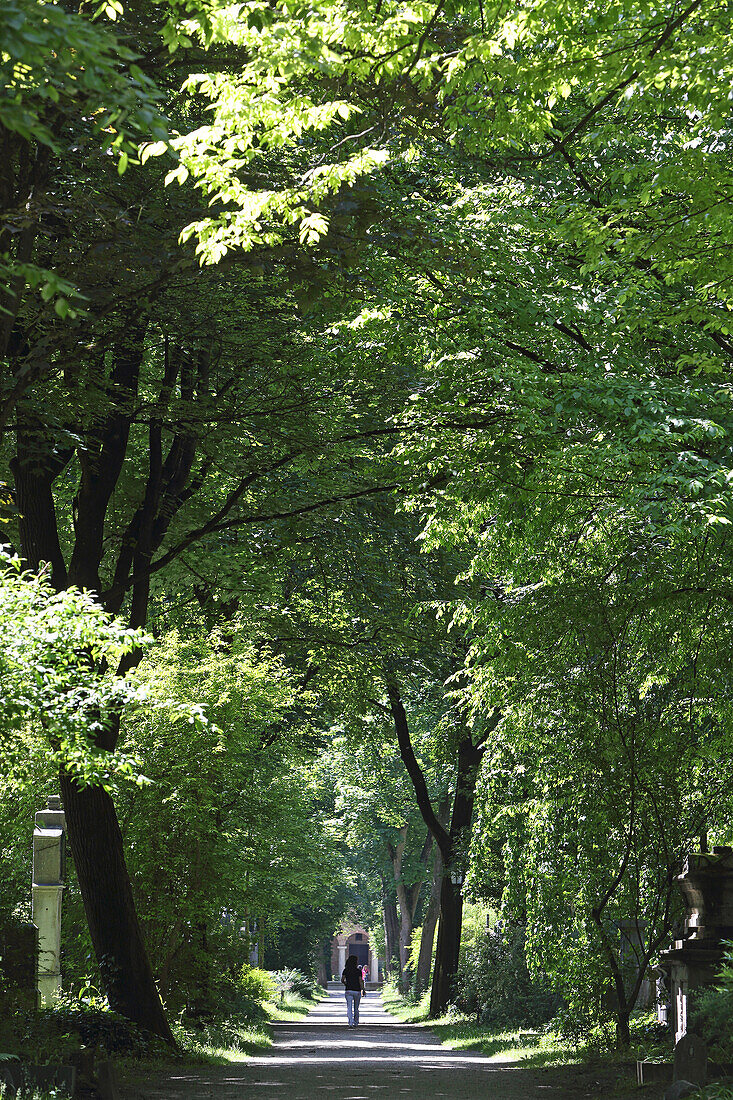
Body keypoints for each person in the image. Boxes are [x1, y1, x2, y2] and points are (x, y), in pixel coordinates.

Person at [340, 954, 365, 1027]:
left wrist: (346, 984)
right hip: (357, 991)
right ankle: (356, 1022)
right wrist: (363, 989)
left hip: (348, 990)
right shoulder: (358, 971)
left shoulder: (346, 970)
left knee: (349, 1007)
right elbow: (360, 981)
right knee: (356, 1008)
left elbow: (342, 980)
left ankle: (350, 1022)